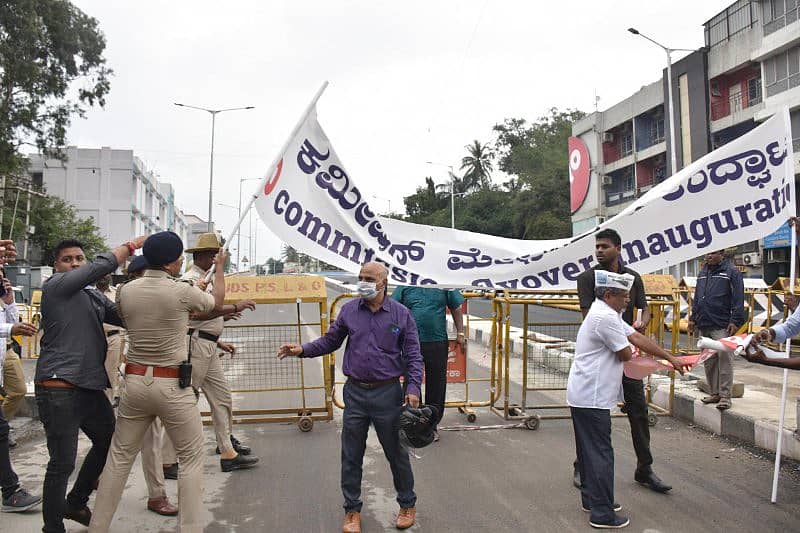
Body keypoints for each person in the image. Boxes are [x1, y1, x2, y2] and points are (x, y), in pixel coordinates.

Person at [89, 232, 225, 533]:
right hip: (172, 385)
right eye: (179, 258)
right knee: (190, 457)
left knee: (119, 457)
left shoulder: (126, 290)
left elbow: (131, 317)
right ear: (171, 261)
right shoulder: (181, 291)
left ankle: (97, 527)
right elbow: (215, 303)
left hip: (135, 382)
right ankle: (189, 527)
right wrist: (222, 269)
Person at [278, 261, 423, 533]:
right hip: (355, 393)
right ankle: (351, 511)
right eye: (360, 277)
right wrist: (302, 349)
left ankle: (407, 503)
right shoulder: (349, 311)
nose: (363, 282)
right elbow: (330, 341)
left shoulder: (402, 315)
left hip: (388, 394)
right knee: (351, 455)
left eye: (369, 277)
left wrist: (413, 388)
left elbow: (413, 355)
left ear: (383, 281)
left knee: (396, 453)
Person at [35, 237, 145, 532]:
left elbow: (128, 317)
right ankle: (53, 527)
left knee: (109, 439)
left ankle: (76, 501)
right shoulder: (56, 287)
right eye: (67, 259)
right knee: (62, 462)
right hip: (58, 384)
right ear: (56, 267)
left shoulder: (92, 296)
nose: (74, 264)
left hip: (88, 384)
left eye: (78, 259)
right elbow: (104, 264)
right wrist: (133, 245)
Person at [569, 271, 689, 529]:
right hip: (591, 395)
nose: (628, 301)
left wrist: (670, 358)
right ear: (609, 294)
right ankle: (602, 514)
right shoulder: (604, 317)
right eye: (624, 296)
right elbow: (625, 352)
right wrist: (658, 359)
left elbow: (636, 338)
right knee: (601, 453)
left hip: (587, 393)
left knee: (590, 451)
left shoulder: (606, 312)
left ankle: (593, 499)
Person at [576, 228, 676, 494]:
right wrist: (622, 340)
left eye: (604, 246)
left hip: (626, 350)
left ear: (618, 248)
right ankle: (583, 467)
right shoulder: (587, 279)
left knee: (638, 411)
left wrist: (642, 324)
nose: (599, 251)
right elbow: (590, 318)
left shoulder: (633, 277)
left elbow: (643, 310)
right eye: (597, 246)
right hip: (608, 356)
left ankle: (645, 468)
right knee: (593, 416)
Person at [161, 232, 258, 478]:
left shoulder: (206, 279)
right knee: (184, 402)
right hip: (196, 347)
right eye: (215, 255)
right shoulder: (192, 280)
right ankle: (167, 459)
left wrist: (220, 331)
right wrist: (232, 307)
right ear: (205, 256)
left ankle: (227, 450)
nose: (219, 259)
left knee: (222, 398)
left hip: (207, 346)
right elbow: (197, 315)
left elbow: (207, 316)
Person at [391, 285, 465, 440]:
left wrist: (460, 332)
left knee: (437, 384)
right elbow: (394, 312)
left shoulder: (443, 283)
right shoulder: (406, 285)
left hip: (437, 341)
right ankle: (412, 425)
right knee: (411, 383)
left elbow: (456, 308)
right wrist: (393, 336)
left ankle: (431, 426)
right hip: (411, 343)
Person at [0, 240, 41, 513]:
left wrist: (9, 302)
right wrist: (11, 326)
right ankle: (10, 491)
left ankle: (10, 490)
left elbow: (9, 320)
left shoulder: (3, 290)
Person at [688, 249, 745, 411]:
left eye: (713, 253)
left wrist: (735, 321)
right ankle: (715, 392)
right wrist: (693, 318)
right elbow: (698, 297)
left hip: (722, 324)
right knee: (709, 359)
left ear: (722, 254)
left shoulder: (731, 272)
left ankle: (725, 396)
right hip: (704, 322)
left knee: (725, 359)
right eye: (707, 253)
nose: (709, 256)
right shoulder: (703, 272)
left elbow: (738, 299)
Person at [1, 265, 27, 445]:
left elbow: (12, 322)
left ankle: (3, 425)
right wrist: (12, 328)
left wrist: (9, 302)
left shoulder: (3, 299)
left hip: (7, 350)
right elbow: (11, 327)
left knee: (19, 390)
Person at [96, 275, 123, 407]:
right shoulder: (89, 294)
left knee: (110, 372)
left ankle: (108, 404)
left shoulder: (117, 293)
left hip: (113, 338)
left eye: (106, 273)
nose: (103, 277)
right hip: (93, 338)